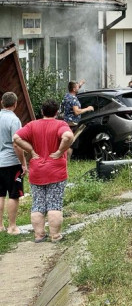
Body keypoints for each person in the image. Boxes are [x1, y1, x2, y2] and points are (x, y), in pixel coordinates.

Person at [13, 99, 74, 243]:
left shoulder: (32, 125)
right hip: (56, 170)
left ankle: (39, 235)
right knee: (54, 203)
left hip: (37, 171)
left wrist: (31, 150)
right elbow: (69, 136)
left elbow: (16, 138)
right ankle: (55, 236)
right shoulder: (60, 124)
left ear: (42, 111)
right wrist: (60, 151)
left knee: (38, 204)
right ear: (57, 112)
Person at [0, 92, 26, 235]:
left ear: (2, 103)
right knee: (14, 194)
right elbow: (16, 144)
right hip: (11, 162)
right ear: (15, 104)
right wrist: (23, 163)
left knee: (0, 194)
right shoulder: (14, 120)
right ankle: (12, 226)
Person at [61, 80, 93, 159]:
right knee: (71, 143)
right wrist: (88, 108)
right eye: (77, 87)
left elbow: (75, 88)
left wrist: (80, 84)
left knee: (66, 141)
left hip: (66, 122)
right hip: (73, 124)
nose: (78, 88)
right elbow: (77, 112)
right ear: (74, 89)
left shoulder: (67, 96)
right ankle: (67, 160)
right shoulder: (74, 99)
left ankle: (64, 160)